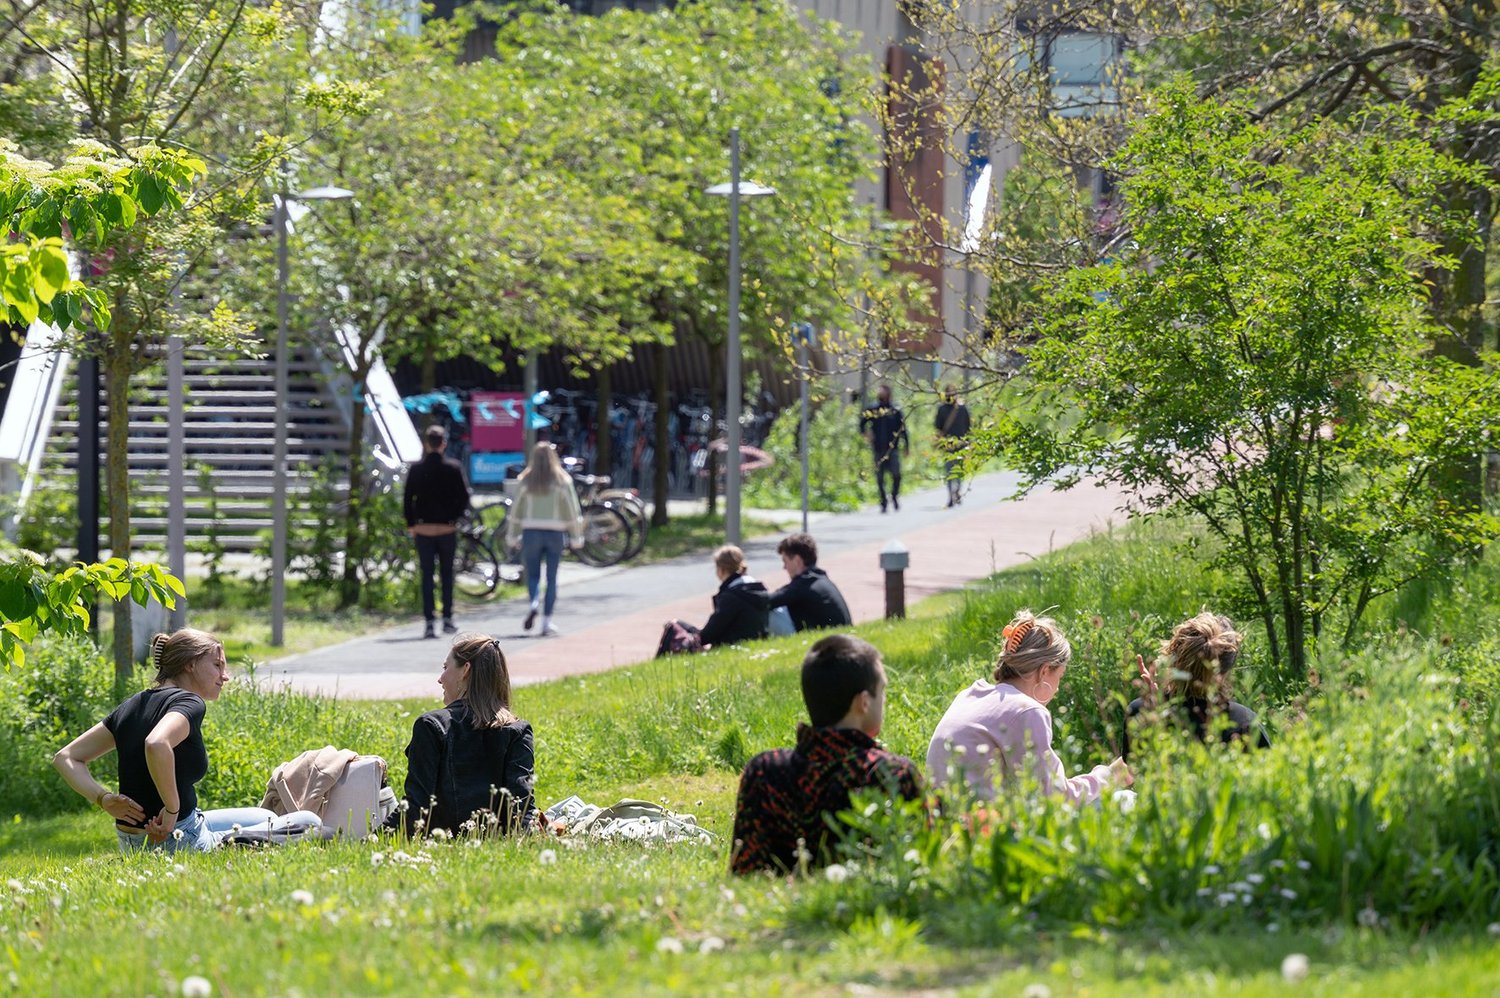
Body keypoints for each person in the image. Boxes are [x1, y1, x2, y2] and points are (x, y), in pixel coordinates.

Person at [51, 629, 320, 853]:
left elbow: (66, 757)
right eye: (217, 665)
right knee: (309, 821)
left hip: (133, 842)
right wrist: (171, 810)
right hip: (178, 839)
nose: (225, 676)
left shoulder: (133, 704)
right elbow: (157, 744)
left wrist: (103, 799)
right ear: (190, 665)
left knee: (267, 817)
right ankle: (218, 844)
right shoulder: (189, 702)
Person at [730, 634, 922, 874]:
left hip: (774, 898)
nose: (884, 699)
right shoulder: (892, 774)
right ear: (863, 702)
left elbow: (744, 873)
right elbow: (927, 864)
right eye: (882, 690)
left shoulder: (763, 771)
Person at [927, 609, 1133, 804]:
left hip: (944, 821)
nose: (1057, 688)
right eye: (1059, 676)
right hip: (985, 826)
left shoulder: (969, 696)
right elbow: (1054, 800)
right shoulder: (1026, 710)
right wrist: (1111, 774)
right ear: (1044, 671)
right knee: (1126, 800)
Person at [383, 633, 535, 836]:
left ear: (465, 670)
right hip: (496, 844)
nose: (440, 679)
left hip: (441, 843)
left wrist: (371, 840)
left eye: (445, 668)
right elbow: (522, 810)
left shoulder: (431, 725)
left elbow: (416, 807)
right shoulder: (518, 730)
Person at [1123, 612, 1271, 759]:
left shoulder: (1141, 713)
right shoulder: (1246, 723)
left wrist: (1158, 706)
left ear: (1174, 658)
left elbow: (1134, 768)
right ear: (1225, 671)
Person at [504, 442, 584, 637]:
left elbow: (516, 511)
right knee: (551, 578)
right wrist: (576, 536)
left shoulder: (525, 480)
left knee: (533, 576)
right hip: (555, 533)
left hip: (531, 532)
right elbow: (572, 510)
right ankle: (546, 622)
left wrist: (512, 535)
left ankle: (534, 603)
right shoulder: (562, 480)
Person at [404, 424, 472, 639]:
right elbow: (464, 497)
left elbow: (407, 499)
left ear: (426, 443)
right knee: (447, 574)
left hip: (423, 528)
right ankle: (448, 618)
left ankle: (429, 621)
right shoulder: (453, 468)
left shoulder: (416, 469)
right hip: (446, 528)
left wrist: (412, 524)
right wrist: (455, 518)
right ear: (444, 443)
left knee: (427, 575)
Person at [655, 545, 770, 656]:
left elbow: (708, 635)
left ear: (721, 569)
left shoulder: (732, 597)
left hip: (729, 645)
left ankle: (660, 662)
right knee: (680, 625)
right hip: (753, 642)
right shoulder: (758, 590)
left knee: (673, 626)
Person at [767, 532, 851, 633]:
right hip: (840, 636)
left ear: (797, 561)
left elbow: (767, 602)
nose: (784, 567)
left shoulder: (804, 584)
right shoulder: (818, 579)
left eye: (785, 561)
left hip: (827, 639)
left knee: (768, 612)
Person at [860, 384, 909, 513]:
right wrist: (866, 434)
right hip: (878, 448)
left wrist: (906, 447)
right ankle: (883, 502)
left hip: (893, 449)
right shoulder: (873, 409)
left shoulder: (895, 410)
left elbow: (903, 429)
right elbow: (861, 423)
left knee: (897, 475)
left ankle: (894, 495)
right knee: (880, 477)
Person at [934, 384, 972, 508]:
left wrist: (969, 442)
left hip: (960, 445)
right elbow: (938, 427)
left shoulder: (962, 409)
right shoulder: (942, 409)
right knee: (950, 471)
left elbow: (968, 427)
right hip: (948, 445)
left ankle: (957, 491)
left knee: (959, 471)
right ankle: (951, 495)